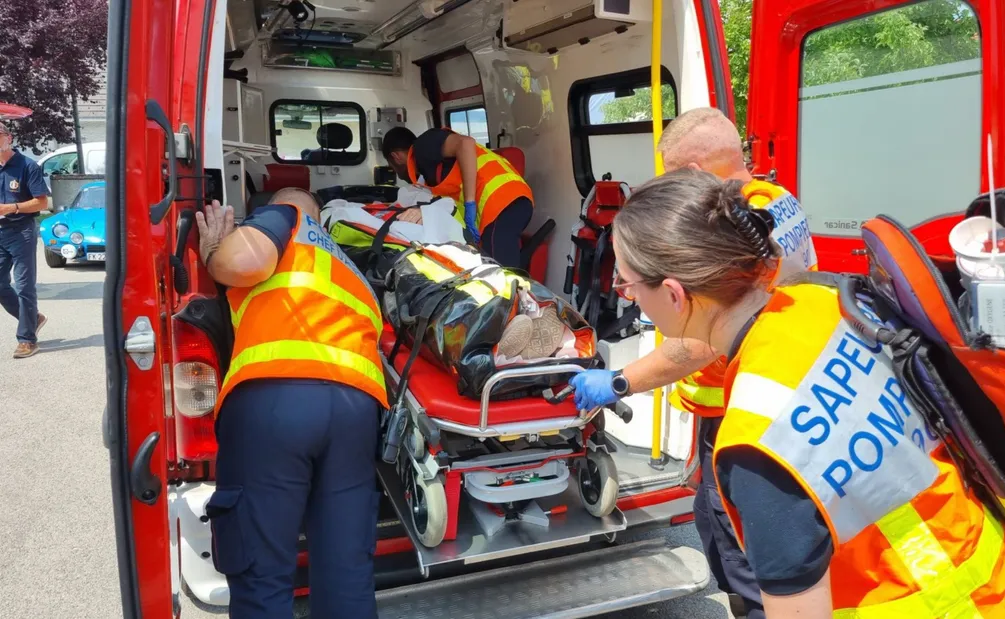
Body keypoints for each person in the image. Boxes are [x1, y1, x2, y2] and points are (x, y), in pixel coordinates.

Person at [607, 168, 1005, 617]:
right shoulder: (828, 302)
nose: (628, 297)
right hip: (998, 590)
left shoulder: (757, 445)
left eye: (627, 284)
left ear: (674, 294)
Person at [569, 107, 817, 618]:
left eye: (675, 178)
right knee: (719, 526)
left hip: (737, 406)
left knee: (741, 554)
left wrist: (619, 381)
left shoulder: (729, 231)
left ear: (698, 170)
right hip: (745, 396)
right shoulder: (774, 205)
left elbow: (708, 337)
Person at [195, 188, 388, 619]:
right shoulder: (352, 268)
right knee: (347, 576)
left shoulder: (287, 217)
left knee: (262, 577)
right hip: (356, 411)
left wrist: (212, 251)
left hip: (276, 398)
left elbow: (246, 262)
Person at [380, 127, 533, 269]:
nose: (398, 173)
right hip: (505, 198)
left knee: (500, 270)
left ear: (396, 157)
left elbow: (465, 143)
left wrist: (470, 203)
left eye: (393, 167)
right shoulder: (429, 170)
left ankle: (516, 296)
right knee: (492, 264)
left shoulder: (424, 145)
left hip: (503, 198)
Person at [0, 121, 49, 358]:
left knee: (24, 286)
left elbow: (42, 202)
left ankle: (27, 340)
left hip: (22, 232)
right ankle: (32, 318)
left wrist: (12, 207)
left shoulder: (27, 166)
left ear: (8, 138)